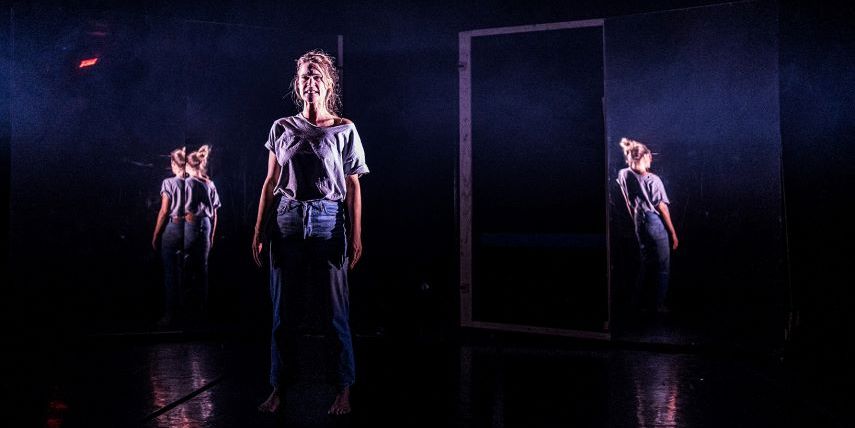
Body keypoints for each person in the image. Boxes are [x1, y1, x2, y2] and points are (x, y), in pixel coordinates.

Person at [253, 50, 368, 416]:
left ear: (329, 83)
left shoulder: (344, 129)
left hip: (327, 222)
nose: (310, 81)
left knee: (335, 313)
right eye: (305, 75)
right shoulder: (281, 127)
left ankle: (343, 390)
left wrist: (356, 235)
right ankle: (278, 389)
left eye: (317, 75)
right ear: (297, 83)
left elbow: (353, 186)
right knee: (283, 315)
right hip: (287, 221)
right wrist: (258, 229)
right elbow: (270, 182)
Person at [616, 137, 678, 315]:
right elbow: (662, 208)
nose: (651, 159)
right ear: (644, 157)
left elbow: (628, 202)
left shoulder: (623, 174)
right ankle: (658, 305)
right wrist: (673, 233)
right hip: (653, 222)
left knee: (645, 263)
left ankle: (637, 302)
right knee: (663, 266)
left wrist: (635, 222)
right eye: (650, 156)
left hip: (639, 220)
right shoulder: (653, 180)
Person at [183, 145, 221, 319]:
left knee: (186, 264)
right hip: (206, 224)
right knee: (202, 268)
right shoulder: (210, 183)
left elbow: (187, 209)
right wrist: (212, 235)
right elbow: (216, 213)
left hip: (191, 224)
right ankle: (201, 309)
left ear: (190, 166)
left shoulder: (190, 183)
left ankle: (187, 308)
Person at [151, 147, 187, 328]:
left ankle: (170, 315)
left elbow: (165, 210)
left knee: (171, 274)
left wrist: (156, 234)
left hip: (174, 228)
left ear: (173, 163)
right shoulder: (195, 182)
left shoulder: (169, 183)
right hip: (191, 228)